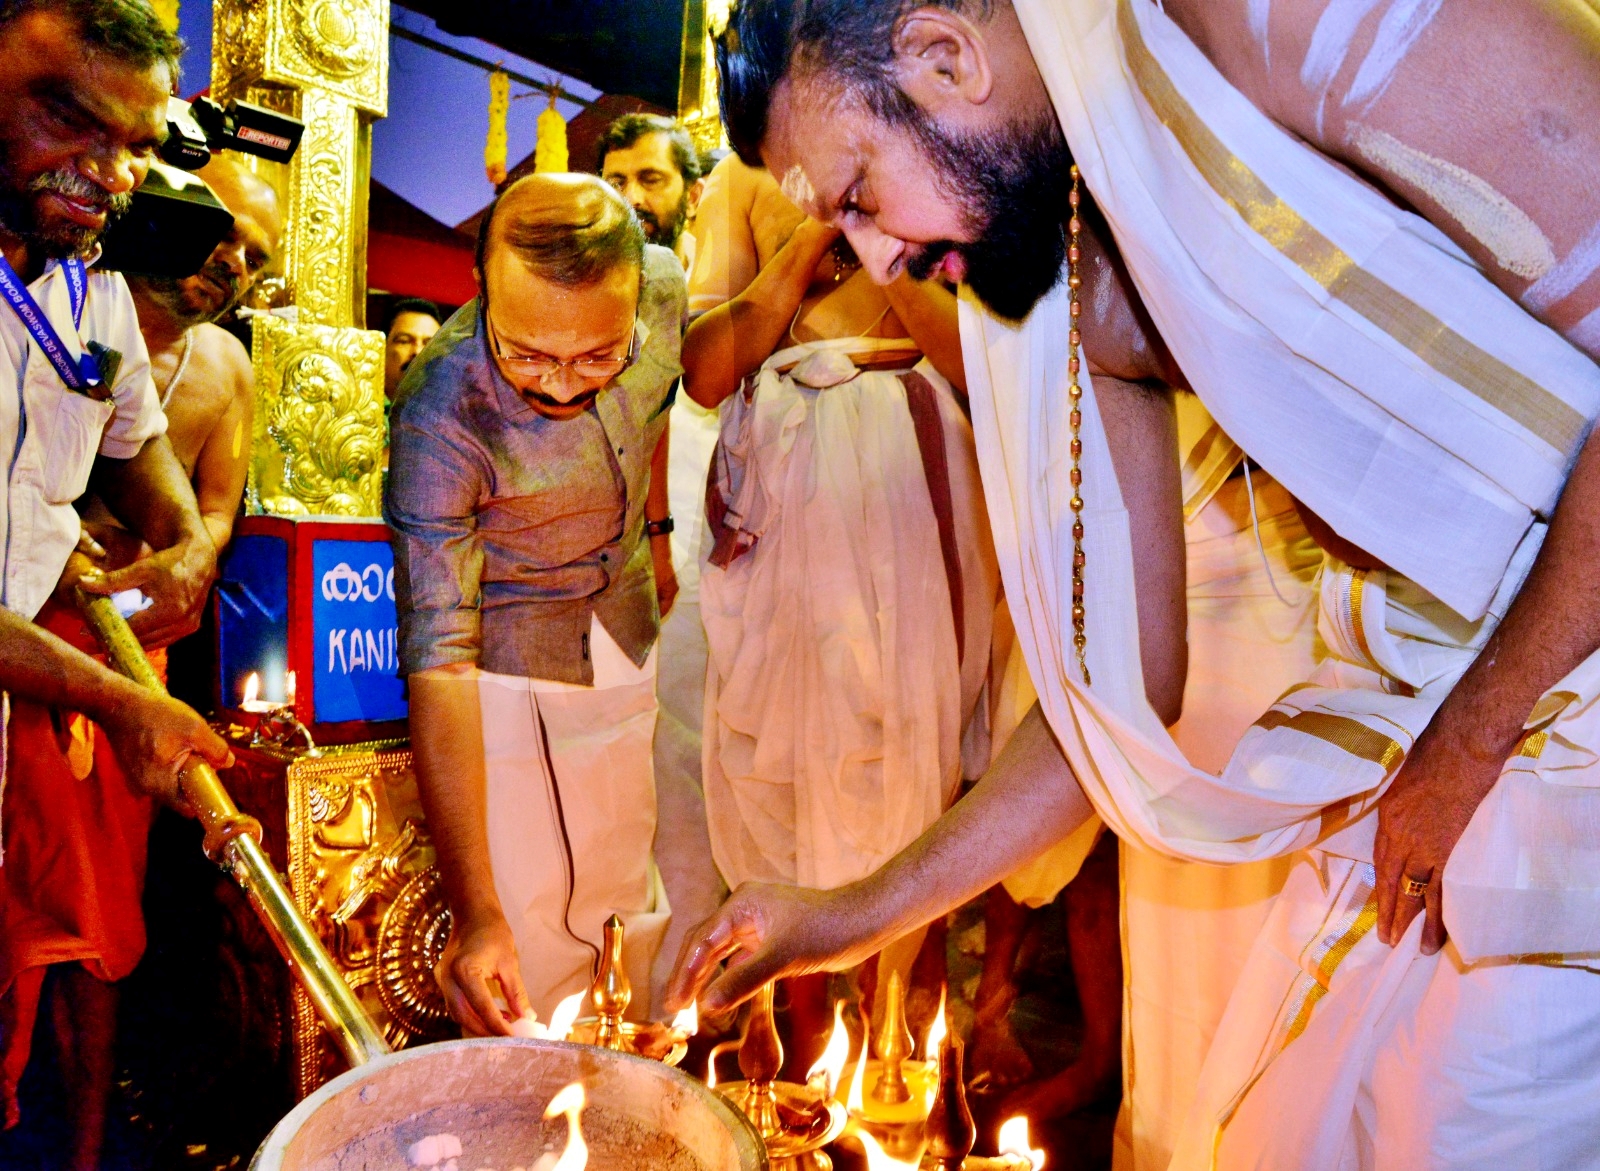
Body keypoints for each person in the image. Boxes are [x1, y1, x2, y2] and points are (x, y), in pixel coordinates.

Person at [668, 1, 1600, 1167]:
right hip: (1416, 717)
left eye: (856, 195)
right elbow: (1106, 707)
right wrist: (844, 914)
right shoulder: (1064, 280)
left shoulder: (1285, 21)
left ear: (944, 55)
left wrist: (1473, 734)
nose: (875, 259)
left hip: (1544, 719)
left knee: (1451, 1129)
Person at [682, 152, 999, 1068]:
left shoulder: (937, 155)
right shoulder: (741, 182)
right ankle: (785, 1049)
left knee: (909, 754)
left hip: (903, 470)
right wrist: (814, 230)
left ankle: (904, 1073)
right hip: (781, 485)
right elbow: (705, 370)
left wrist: (876, 233)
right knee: (778, 768)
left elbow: (970, 363)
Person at [0, 150, 280, 1163]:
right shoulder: (63, 289)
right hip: (37, 643)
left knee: (96, 920)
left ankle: (80, 1148)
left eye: (250, 254)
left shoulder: (220, 367)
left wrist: (184, 563)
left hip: (123, 664)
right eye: (215, 233)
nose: (224, 263)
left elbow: (200, 519)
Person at [386, 173, 685, 1033]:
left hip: (625, 635)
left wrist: (654, 530)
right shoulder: (439, 410)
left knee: (627, 906)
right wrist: (475, 909)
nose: (559, 387)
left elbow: (668, 393)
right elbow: (439, 661)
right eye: (527, 355)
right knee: (535, 959)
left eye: (598, 356)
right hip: (510, 684)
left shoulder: (662, 285)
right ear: (480, 289)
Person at [596, 113, 727, 1010]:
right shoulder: (592, 287)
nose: (633, 197)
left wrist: (669, 536)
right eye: (618, 177)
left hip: (698, 543)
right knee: (626, 773)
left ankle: (696, 999)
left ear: (691, 191)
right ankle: (634, 1007)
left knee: (697, 766)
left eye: (653, 178)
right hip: (614, 554)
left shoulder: (698, 292)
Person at [598, 113, 705, 265]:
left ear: (692, 197)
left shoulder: (726, 279)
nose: (631, 198)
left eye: (651, 180)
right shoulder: (577, 282)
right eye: (616, 184)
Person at [384, 297, 442, 402]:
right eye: (404, 341)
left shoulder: (455, 414)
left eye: (429, 344)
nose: (418, 351)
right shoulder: (359, 413)